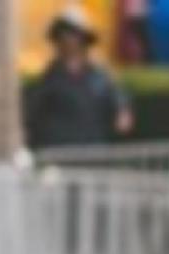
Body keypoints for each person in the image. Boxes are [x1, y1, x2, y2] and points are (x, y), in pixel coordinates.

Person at [21, 7, 131, 154]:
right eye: (63, 34)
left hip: (93, 151)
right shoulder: (50, 77)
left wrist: (122, 111)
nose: (67, 39)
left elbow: (117, 96)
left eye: (72, 33)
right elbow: (33, 113)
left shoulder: (99, 74)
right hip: (59, 153)